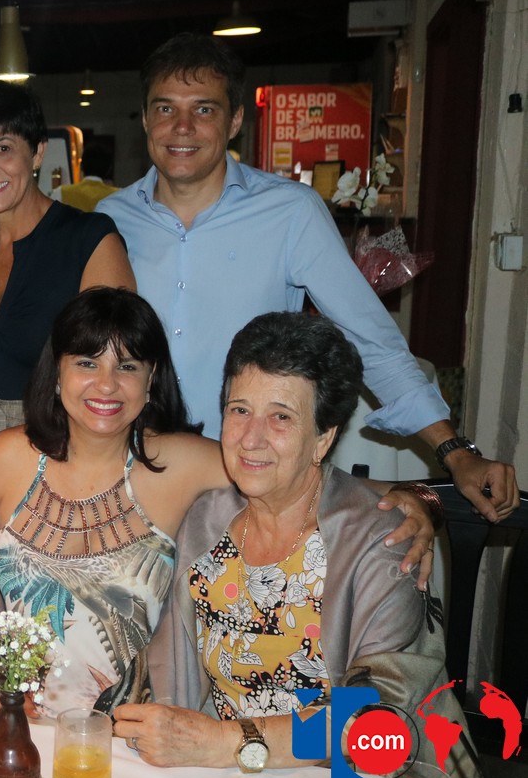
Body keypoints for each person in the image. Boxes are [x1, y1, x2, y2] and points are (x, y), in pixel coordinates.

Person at [97, 32, 518, 520]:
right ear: (145, 119)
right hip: (135, 483)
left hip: (252, 482)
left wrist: (455, 452)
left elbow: (371, 340)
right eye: (165, 108)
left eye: (204, 109)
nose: (182, 127)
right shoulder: (110, 220)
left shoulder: (290, 212)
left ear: (236, 120)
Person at [0, 289, 436, 719]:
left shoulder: (180, 465)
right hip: (23, 719)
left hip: (124, 732)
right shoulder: (6, 459)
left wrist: (421, 499)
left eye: (128, 366)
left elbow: (301, 474)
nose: (106, 384)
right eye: (86, 362)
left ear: (151, 379)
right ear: (56, 372)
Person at [117, 312, 471, 778]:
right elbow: (165, 671)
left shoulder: (383, 544)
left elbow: (379, 724)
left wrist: (227, 742)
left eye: (281, 417)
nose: (251, 437)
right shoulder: (206, 522)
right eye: (239, 410)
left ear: (323, 438)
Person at [0, 79, 136, 449]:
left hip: (58, 443)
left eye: (3, 148)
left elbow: (114, 373)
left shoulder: (89, 240)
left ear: (37, 153)